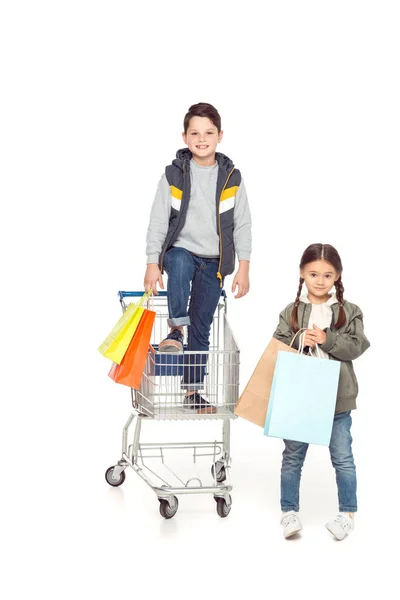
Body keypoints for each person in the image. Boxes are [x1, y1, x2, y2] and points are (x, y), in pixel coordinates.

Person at [144, 102, 252, 414]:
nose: (201, 138)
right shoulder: (173, 175)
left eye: (208, 132)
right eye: (195, 133)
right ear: (184, 136)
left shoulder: (232, 177)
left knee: (202, 327)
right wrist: (153, 262)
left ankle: (192, 392)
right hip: (183, 252)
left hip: (214, 262)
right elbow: (158, 221)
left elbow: (243, 224)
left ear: (220, 136)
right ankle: (176, 328)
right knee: (177, 261)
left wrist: (243, 267)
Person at [273, 243, 370, 540]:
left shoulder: (349, 311)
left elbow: (357, 346)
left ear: (337, 276)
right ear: (302, 273)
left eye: (327, 275)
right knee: (292, 456)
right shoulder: (291, 312)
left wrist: (327, 340)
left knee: (343, 457)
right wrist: (301, 342)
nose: (319, 280)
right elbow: (277, 347)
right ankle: (289, 512)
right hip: (299, 398)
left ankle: (347, 514)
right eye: (313, 273)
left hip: (337, 400)